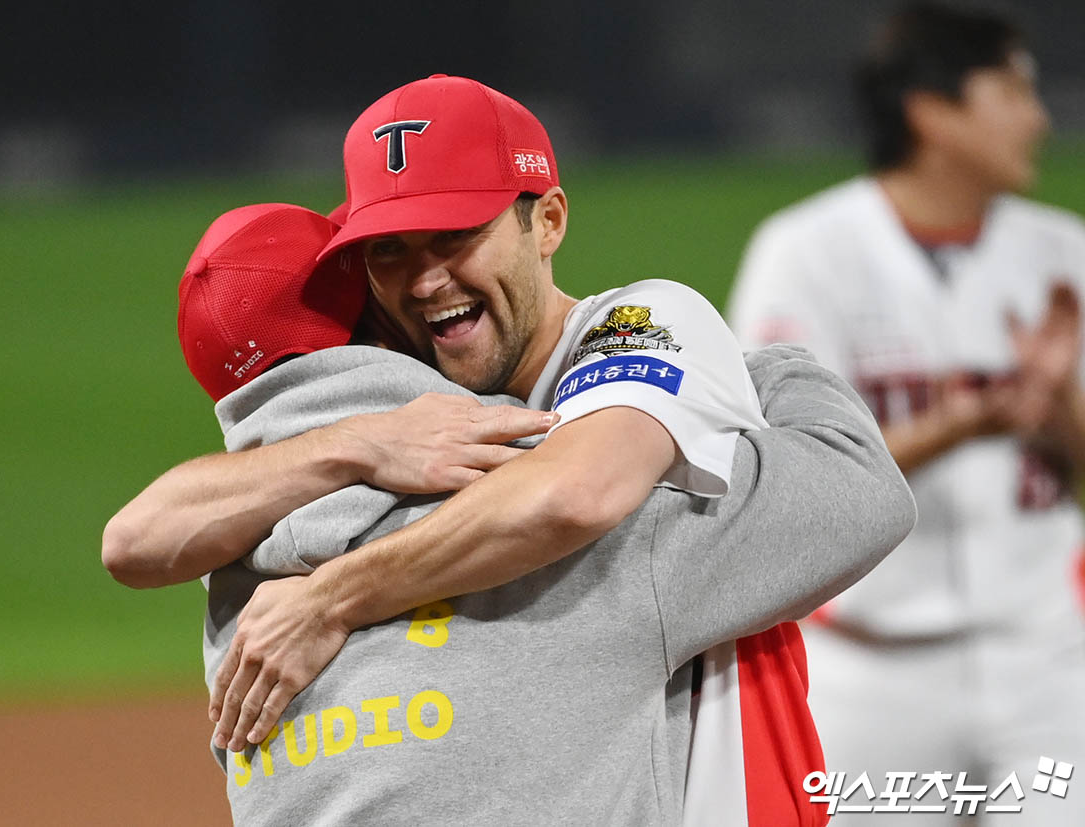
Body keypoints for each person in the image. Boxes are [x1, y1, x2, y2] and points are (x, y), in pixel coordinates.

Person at [102, 74, 915, 767]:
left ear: (548, 220)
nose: (425, 280)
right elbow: (133, 540)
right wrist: (358, 445)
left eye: (456, 235)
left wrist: (330, 599)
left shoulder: (642, 321)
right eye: (390, 251)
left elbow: (576, 491)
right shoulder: (407, 412)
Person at [167, 200, 900, 824]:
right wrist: (758, 372)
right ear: (376, 318)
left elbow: (132, 539)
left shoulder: (232, 590)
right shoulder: (600, 544)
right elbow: (860, 487)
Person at [726, 3, 1085, 822]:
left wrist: (1057, 399)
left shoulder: (1064, 251)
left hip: (1045, 663)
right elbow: (781, 477)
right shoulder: (807, 253)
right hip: (866, 673)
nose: (1039, 117)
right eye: (1013, 92)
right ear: (933, 111)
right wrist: (958, 425)